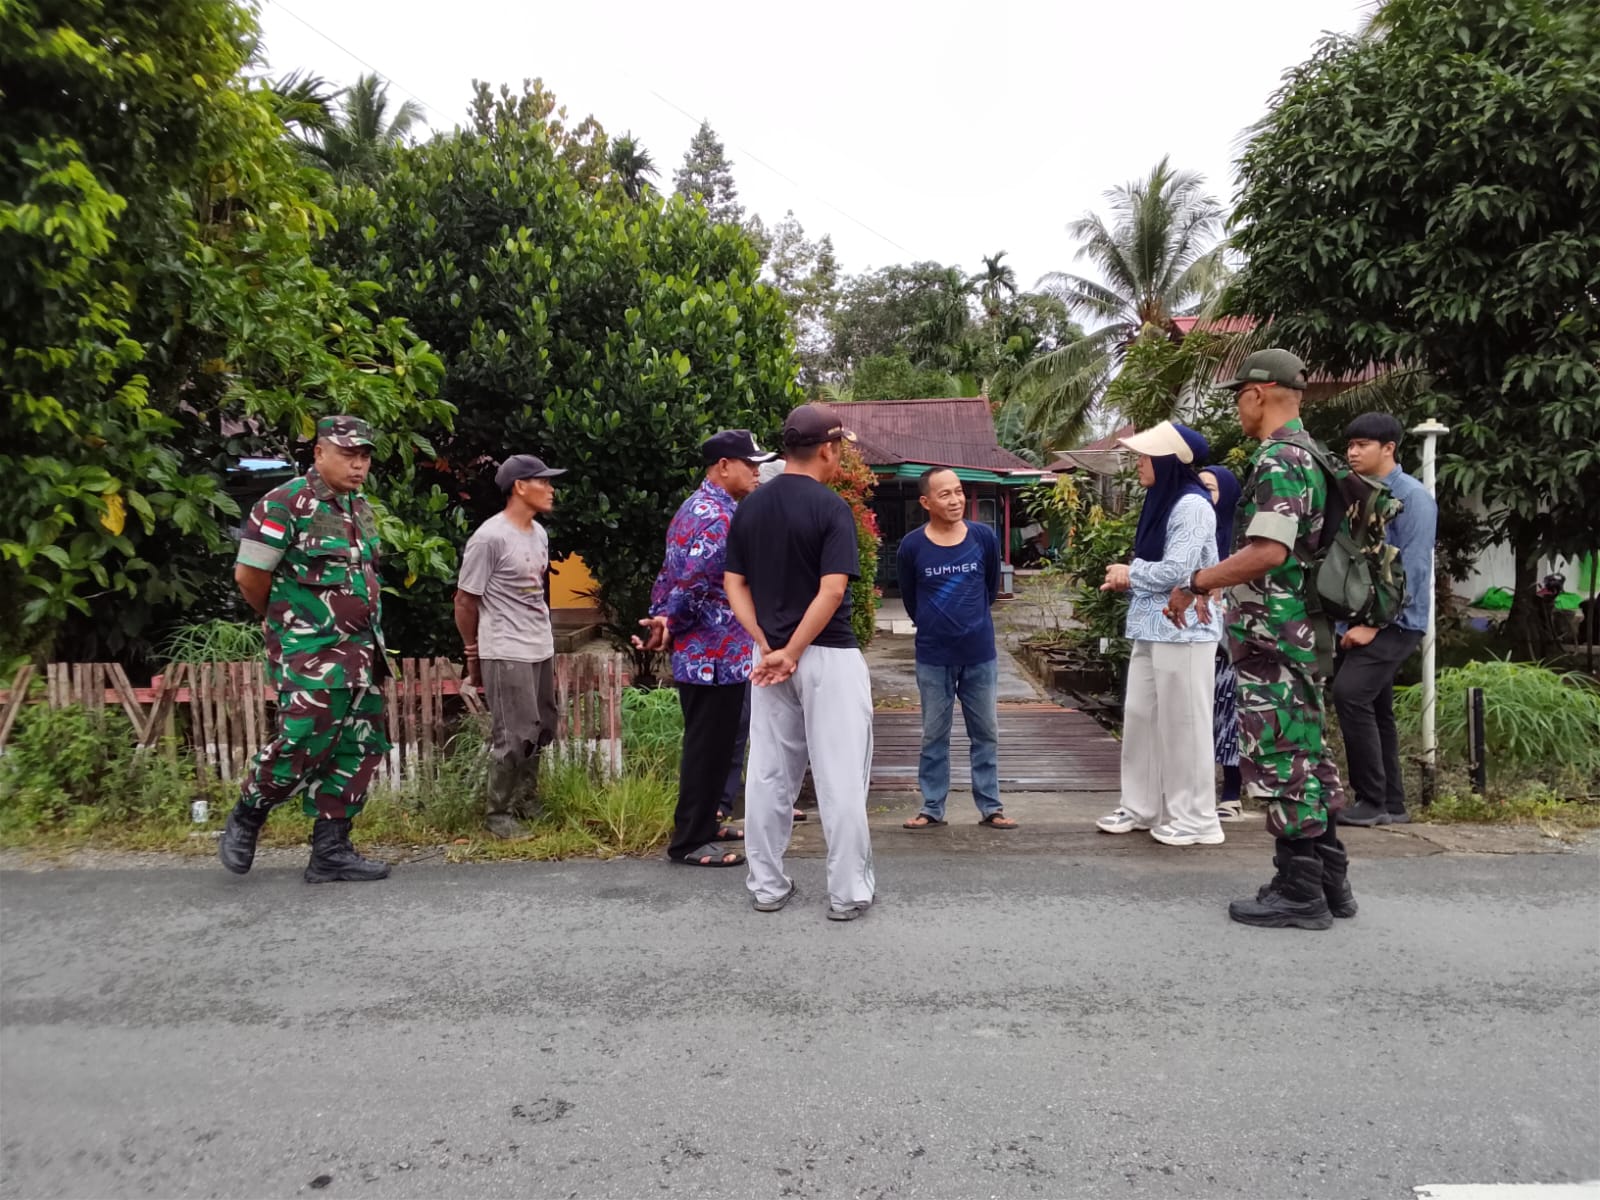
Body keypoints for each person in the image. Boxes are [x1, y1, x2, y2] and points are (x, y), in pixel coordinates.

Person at [1166, 350, 1355, 929]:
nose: (1239, 409)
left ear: (1258, 394)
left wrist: (1195, 582)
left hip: (1275, 630)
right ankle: (1329, 878)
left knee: (1281, 753)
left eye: (1238, 396)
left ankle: (1300, 892)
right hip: (1301, 627)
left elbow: (1268, 552)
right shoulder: (1313, 454)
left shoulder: (1279, 458)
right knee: (1309, 748)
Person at [219, 415, 392, 883]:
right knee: (301, 739)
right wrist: (287, 622)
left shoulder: (359, 507)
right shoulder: (283, 503)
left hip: (362, 651)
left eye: (364, 457)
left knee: (358, 745)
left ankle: (331, 850)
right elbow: (249, 576)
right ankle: (249, 813)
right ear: (319, 453)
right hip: (310, 651)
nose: (359, 466)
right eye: (348, 455)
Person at [724, 403, 875, 921]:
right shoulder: (832, 509)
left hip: (768, 660)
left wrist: (767, 643)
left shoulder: (750, 507)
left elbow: (734, 584)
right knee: (839, 776)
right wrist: (792, 649)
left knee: (768, 774)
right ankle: (847, 891)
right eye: (841, 450)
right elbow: (832, 590)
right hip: (827, 655)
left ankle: (767, 886)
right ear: (828, 449)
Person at [633, 429, 777, 867]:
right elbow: (692, 582)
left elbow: (668, 575)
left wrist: (662, 618)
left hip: (719, 654)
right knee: (706, 746)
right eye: (749, 464)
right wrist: (670, 622)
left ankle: (708, 822)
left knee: (719, 743)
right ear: (723, 466)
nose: (756, 471)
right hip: (710, 656)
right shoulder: (714, 515)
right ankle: (689, 841)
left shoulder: (703, 508)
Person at [1096, 421, 1224, 847]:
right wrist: (1131, 576)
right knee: (1141, 717)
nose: (1138, 464)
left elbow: (1180, 571)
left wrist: (1128, 573)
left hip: (1185, 631)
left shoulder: (1191, 505)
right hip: (1152, 626)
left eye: (1145, 456)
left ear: (1171, 460)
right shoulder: (1163, 501)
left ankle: (1198, 817)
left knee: (1185, 723)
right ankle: (1141, 806)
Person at [895, 466, 1015, 831]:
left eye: (959, 492)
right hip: (933, 657)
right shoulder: (912, 546)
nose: (955, 500)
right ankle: (932, 807)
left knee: (986, 734)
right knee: (934, 734)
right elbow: (911, 600)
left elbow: (990, 589)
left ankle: (991, 807)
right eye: (945, 494)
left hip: (979, 654)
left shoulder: (983, 537)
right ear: (926, 501)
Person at [1333, 412, 1438, 827]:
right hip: (1363, 618)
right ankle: (1392, 803)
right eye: (1350, 445)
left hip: (1396, 622)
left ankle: (1372, 800)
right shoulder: (1361, 492)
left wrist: (1374, 625)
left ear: (1389, 449)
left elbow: (1411, 569)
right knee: (1375, 707)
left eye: (1362, 445)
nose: (1352, 452)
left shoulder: (1411, 498)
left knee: (1350, 694)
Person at [455, 454, 565, 839]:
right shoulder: (489, 537)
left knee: (542, 727)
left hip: (539, 645)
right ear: (520, 486)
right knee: (514, 734)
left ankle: (525, 800)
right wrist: (473, 652)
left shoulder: (539, 534)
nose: (551, 489)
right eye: (544, 481)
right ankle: (497, 813)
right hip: (505, 648)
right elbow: (465, 600)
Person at [1198, 465, 1246, 821]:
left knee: (1228, 712)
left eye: (1211, 488)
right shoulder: (1191, 528)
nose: (1204, 495)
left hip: (1229, 641)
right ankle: (1196, 790)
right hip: (1192, 632)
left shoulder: (1241, 540)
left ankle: (1231, 792)